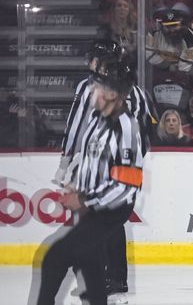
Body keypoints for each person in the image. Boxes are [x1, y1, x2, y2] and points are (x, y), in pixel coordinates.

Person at [36, 58, 145, 305]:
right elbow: (93, 159)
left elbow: (127, 183)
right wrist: (79, 185)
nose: (92, 92)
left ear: (114, 94)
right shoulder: (97, 120)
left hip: (110, 209)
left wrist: (86, 198)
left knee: (55, 258)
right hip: (95, 204)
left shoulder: (128, 128)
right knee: (90, 265)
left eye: (98, 88)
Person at [55, 40, 155, 301]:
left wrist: (67, 161)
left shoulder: (89, 87)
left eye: (93, 60)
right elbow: (145, 132)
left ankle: (101, 279)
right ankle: (114, 280)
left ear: (101, 62)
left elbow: (76, 125)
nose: (90, 64)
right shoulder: (138, 91)